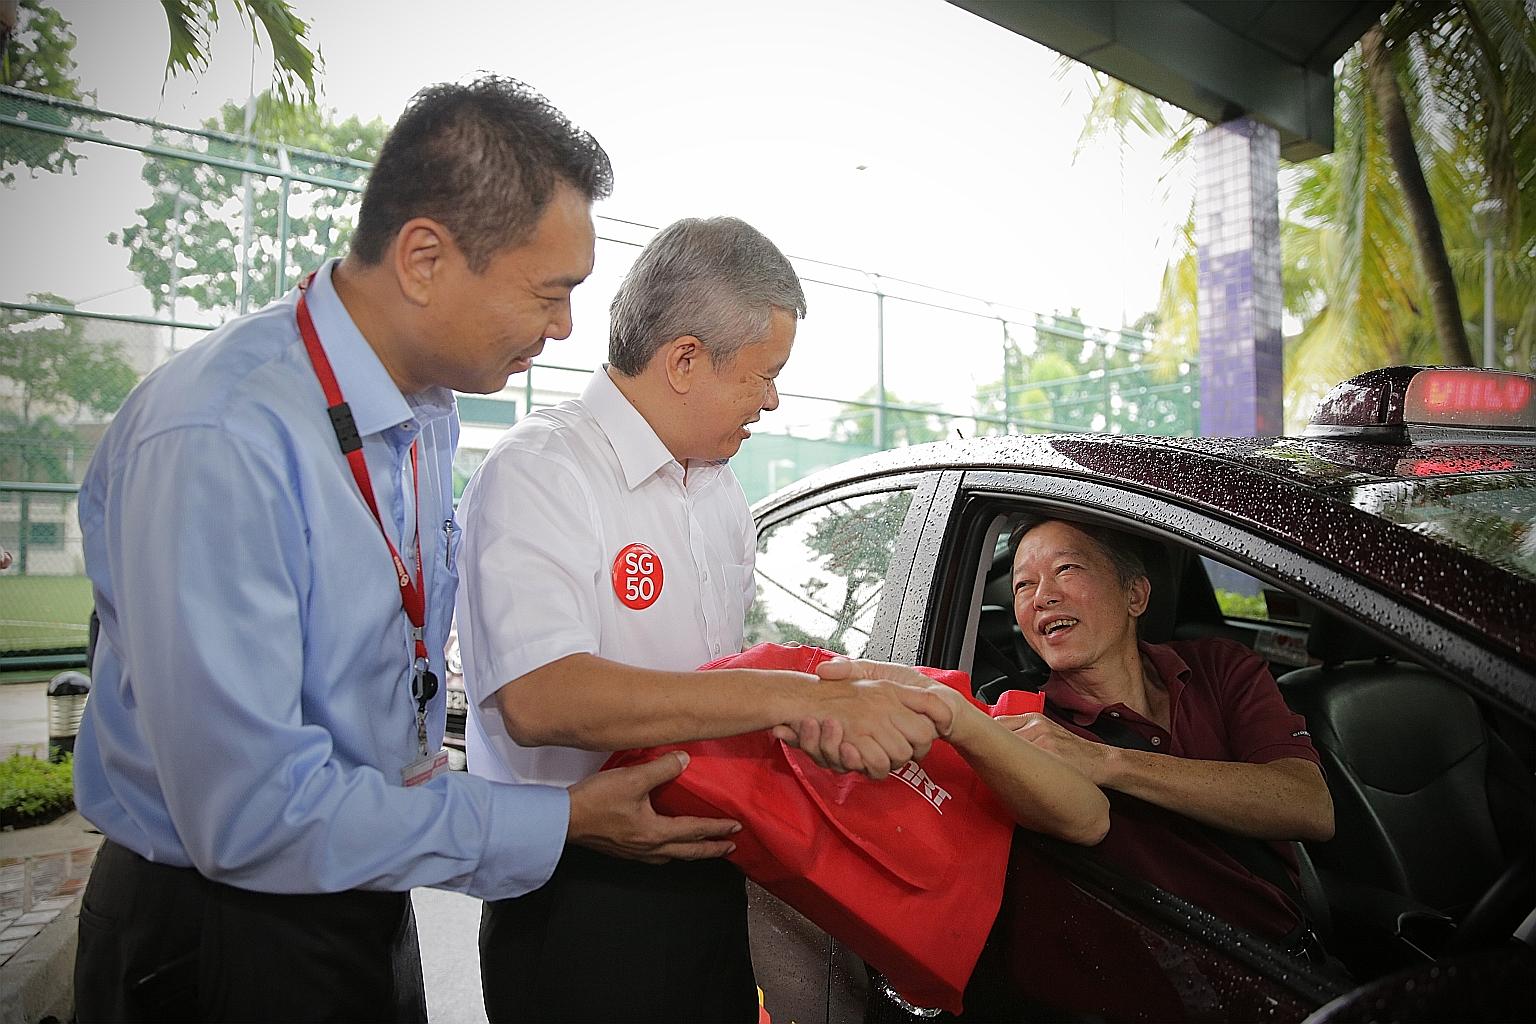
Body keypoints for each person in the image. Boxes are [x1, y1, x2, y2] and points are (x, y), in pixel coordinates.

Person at [71, 77, 742, 1024]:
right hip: (221, 935)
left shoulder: (420, 417)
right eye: (550, 294)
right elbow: (251, 811)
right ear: (425, 257)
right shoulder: (221, 438)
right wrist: (555, 820)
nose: (563, 331)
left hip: (359, 897)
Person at [456, 216, 955, 1023]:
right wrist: (792, 698)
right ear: (685, 359)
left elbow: (709, 689)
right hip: (579, 894)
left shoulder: (719, 492)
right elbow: (542, 697)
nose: (773, 398)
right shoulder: (542, 473)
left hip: (711, 882)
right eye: (764, 374)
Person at [834, 517, 1333, 947]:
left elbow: (1308, 807)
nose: (1043, 597)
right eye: (1023, 586)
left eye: (1066, 569)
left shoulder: (1220, 668)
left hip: (1291, 955)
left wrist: (1107, 762)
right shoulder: (1020, 725)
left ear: (1135, 594)